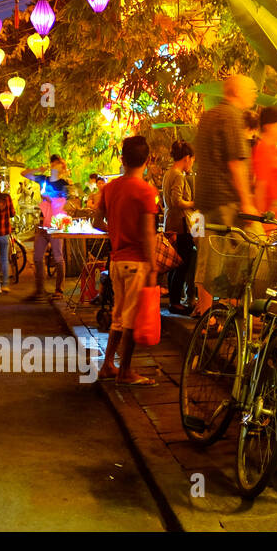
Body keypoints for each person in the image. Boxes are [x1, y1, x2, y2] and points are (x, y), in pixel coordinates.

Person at [94, 135, 159, 387]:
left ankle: (108, 364)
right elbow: (147, 233)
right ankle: (126, 370)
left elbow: (96, 222)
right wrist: (153, 266)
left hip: (116, 261)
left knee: (119, 315)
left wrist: (115, 231)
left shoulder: (110, 188)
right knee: (130, 319)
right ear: (147, 159)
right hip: (137, 262)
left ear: (122, 159)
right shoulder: (145, 191)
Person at [193, 74, 259, 314]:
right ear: (236, 92)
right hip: (226, 199)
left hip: (205, 200)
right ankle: (240, 311)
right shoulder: (232, 115)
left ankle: (206, 314)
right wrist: (248, 204)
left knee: (208, 257)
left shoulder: (209, 116)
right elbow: (236, 163)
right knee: (254, 248)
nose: (254, 93)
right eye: (251, 89)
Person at [21, 156, 70, 299]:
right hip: (42, 226)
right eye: (53, 163)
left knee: (58, 258)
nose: (54, 165)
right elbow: (24, 173)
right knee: (37, 258)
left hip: (55, 226)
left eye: (58, 163)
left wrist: (51, 199)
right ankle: (39, 289)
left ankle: (59, 290)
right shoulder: (43, 179)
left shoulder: (63, 184)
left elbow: (65, 204)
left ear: (62, 168)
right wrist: (38, 169)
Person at [161, 140, 197, 314]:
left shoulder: (169, 173)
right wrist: (193, 203)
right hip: (181, 224)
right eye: (192, 160)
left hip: (170, 222)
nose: (192, 164)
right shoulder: (178, 175)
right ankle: (175, 302)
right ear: (187, 158)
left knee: (174, 263)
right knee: (183, 263)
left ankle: (174, 300)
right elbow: (176, 201)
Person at [252, 106, 277, 227]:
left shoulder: (275, 150)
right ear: (268, 126)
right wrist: (260, 218)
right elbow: (260, 184)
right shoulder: (262, 149)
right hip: (269, 216)